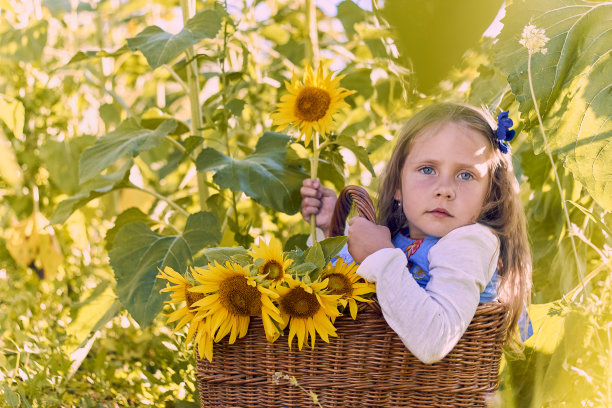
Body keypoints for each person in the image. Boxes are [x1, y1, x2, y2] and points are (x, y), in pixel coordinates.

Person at [300, 103, 532, 364]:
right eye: (427, 169)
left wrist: (382, 255)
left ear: (489, 196)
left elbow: (435, 340)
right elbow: (344, 275)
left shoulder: (471, 242)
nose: (445, 189)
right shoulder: (397, 239)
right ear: (398, 185)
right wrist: (330, 229)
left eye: (466, 175)